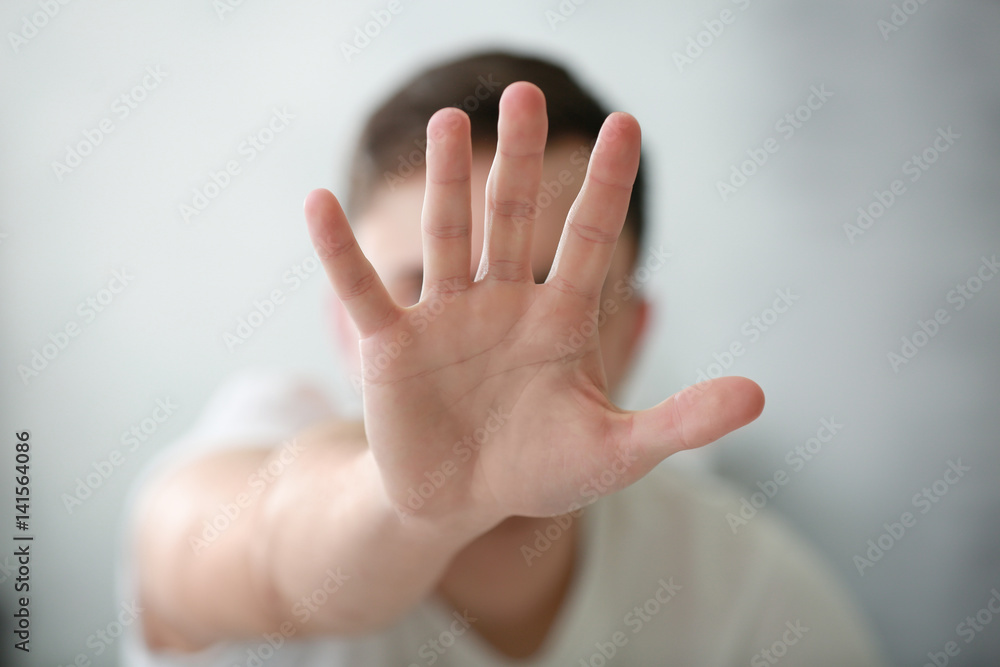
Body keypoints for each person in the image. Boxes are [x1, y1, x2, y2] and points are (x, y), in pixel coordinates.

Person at [121, 51, 886, 666]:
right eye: (421, 289)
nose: (486, 344)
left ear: (634, 332)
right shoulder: (255, 450)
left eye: (556, 291)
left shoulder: (747, 591)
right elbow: (243, 554)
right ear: (343, 324)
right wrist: (416, 502)